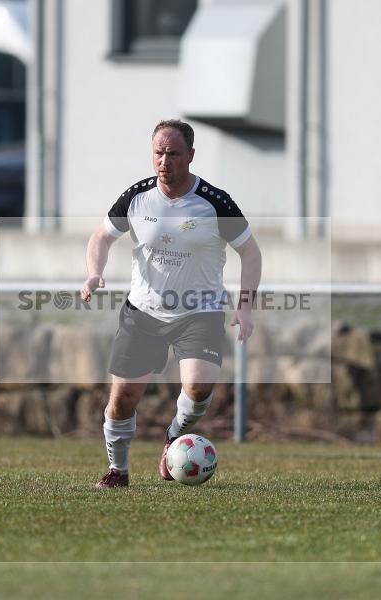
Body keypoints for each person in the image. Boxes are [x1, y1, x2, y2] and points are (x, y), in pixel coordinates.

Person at [81, 119, 262, 488]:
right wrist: (94, 273)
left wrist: (245, 307)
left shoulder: (215, 202)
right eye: (158, 153)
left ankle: (173, 436)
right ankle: (118, 470)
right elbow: (101, 237)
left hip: (200, 310)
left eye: (174, 154)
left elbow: (251, 253)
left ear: (191, 156)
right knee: (123, 399)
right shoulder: (137, 197)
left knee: (198, 386)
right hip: (143, 312)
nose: (164, 161)